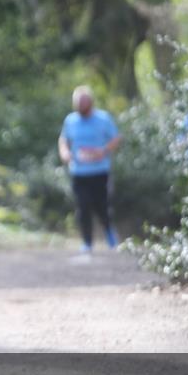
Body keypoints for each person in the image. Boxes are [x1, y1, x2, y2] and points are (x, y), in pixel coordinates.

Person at [57, 85, 122, 253]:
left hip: (100, 172)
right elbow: (63, 139)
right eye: (78, 103)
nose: (81, 106)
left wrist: (103, 150)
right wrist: (65, 153)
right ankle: (87, 242)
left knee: (102, 206)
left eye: (84, 103)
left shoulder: (103, 118)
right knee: (83, 207)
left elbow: (116, 138)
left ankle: (110, 235)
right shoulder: (70, 120)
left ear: (91, 102)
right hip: (79, 172)